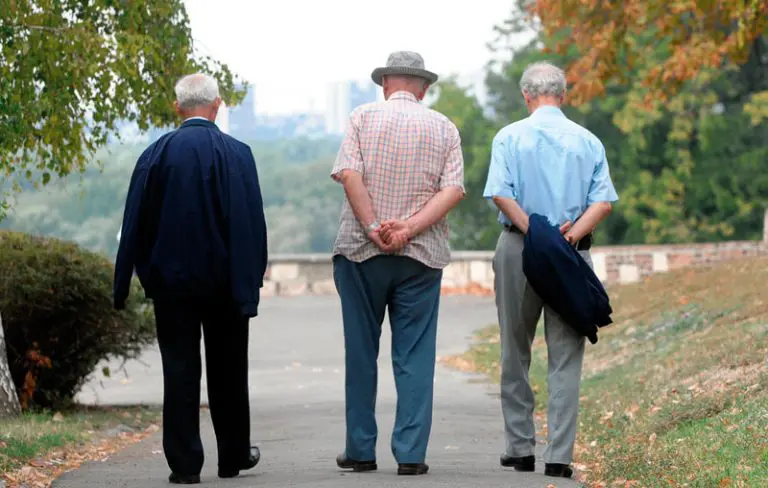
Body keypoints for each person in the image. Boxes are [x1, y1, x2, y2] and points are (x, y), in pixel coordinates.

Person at [113, 73, 268, 485]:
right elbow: (253, 222)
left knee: (179, 370)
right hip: (225, 283)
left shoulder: (155, 154)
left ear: (178, 108)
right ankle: (233, 455)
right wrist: (252, 278)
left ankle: (185, 466)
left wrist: (130, 277)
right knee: (229, 369)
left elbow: (136, 223)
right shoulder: (238, 154)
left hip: (173, 285)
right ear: (217, 105)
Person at [331, 51, 465, 476]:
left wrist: (374, 227)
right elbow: (453, 191)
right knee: (415, 355)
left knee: (361, 351)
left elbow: (349, 173)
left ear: (386, 84)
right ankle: (410, 454)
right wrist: (406, 229)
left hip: (360, 252)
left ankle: (361, 450)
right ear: (423, 89)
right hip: (421, 257)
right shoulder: (443, 126)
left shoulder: (361, 117)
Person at [482, 61, 618, 479]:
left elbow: (500, 194)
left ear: (526, 95)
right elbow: (603, 202)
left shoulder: (509, 137)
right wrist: (567, 237)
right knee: (565, 357)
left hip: (520, 248)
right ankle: (559, 456)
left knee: (514, 350)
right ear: (564, 94)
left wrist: (536, 232)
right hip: (571, 254)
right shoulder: (588, 140)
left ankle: (520, 447)